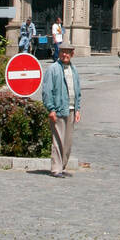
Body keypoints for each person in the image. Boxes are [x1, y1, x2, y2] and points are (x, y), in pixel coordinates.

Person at [41, 39, 82, 178]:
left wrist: (77, 109)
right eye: (63, 51)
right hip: (58, 109)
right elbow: (47, 91)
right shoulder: (53, 69)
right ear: (59, 53)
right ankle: (56, 169)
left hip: (70, 109)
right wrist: (51, 109)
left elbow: (77, 90)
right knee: (58, 140)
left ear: (72, 54)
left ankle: (62, 166)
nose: (65, 54)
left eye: (68, 52)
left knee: (68, 141)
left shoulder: (74, 69)